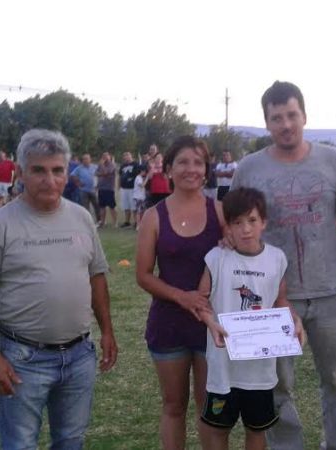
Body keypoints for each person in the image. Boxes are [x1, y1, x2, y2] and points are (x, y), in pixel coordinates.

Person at [0, 129, 117, 449]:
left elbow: (97, 276)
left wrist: (107, 331)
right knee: (20, 443)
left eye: (57, 170)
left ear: (68, 173)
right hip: (22, 358)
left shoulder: (82, 218)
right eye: (38, 170)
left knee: (70, 440)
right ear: (20, 173)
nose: (49, 179)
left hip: (79, 356)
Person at [230, 81, 336, 450]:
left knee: (335, 380)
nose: (285, 124)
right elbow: (234, 223)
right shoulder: (249, 168)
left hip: (330, 292)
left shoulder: (333, 160)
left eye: (291, 115)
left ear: (304, 115)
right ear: (267, 123)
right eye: (276, 118)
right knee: (276, 385)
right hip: (273, 297)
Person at [197, 187, 305, 450]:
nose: (245, 229)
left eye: (252, 220)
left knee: (256, 432)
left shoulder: (277, 258)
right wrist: (210, 322)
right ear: (229, 227)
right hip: (223, 367)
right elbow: (201, 302)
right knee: (218, 430)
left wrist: (295, 320)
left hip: (260, 369)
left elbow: (280, 301)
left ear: (263, 222)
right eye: (237, 222)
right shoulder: (216, 258)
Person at [135, 136, 224, 450]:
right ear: (168, 169)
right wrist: (182, 297)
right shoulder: (153, 217)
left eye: (198, 162)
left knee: (210, 408)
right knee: (174, 406)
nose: (191, 169)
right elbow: (143, 275)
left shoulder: (221, 212)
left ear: (206, 170)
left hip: (211, 327)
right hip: (169, 325)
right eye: (183, 162)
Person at [71, 153, 101, 224]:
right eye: (84, 159)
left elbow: (100, 174)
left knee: (97, 205)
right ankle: (88, 222)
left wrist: (98, 184)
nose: (85, 160)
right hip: (83, 190)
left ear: (90, 159)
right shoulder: (79, 168)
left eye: (87, 159)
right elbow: (72, 175)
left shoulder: (95, 167)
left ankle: (99, 220)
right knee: (85, 207)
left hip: (93, 190)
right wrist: (78, 183)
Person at [95, 152, 118, 227]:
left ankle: (115, 223)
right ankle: (103, 222)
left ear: (110, 156)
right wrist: (102, 172)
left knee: (112, 207)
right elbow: (96, 173)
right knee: (102, 206)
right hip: (101, 188)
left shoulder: (112, 165)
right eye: (103, 156)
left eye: (106, 156)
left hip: (109, 188)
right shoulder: (101, 165)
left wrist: (101, 167)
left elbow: (106, 173)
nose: (104, 157)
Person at [118, 151, 139, 228]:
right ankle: (127, 222)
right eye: (125, 155)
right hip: (124, 188)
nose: (126, 157)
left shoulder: (136, 164)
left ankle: (136, 222)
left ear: (131, 156)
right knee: (125, 206)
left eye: (128, 155)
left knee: (133, 206)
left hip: (132, 188)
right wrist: (119, 186)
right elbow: (120, 176)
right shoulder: (123, 165)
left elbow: (138, 175)